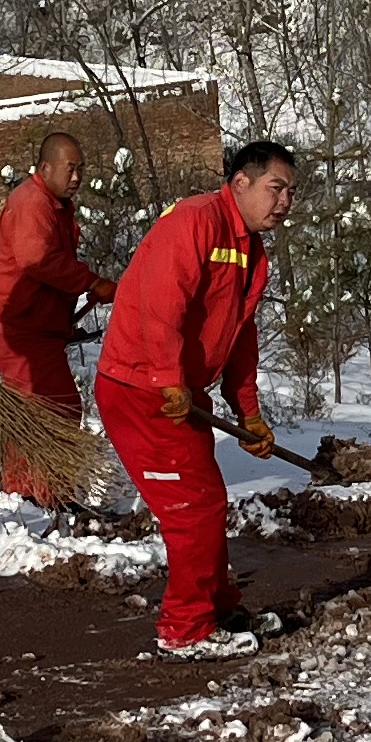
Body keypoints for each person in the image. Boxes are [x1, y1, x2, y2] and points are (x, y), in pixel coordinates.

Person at [96, 140, 300, 659]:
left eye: (291, 192)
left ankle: (218, 607)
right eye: (277, 188)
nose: (285, 202)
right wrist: (168, 378)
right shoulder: (195, 222)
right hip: (141, 389)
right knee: (193, 507)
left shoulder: (253, 254)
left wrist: (248, 412)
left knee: (206, 499)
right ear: (241, 184)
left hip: (180, 392)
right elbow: (160, 303)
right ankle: (184, 630)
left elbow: (239, 340)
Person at [0, 128, 111, 504]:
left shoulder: (54, 205)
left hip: (36, 326)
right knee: (46, 409)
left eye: (81, 169)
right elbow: (37, 260)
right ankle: (30, 494)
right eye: (70, 168)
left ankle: (43, 489)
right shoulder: (32, 202)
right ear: (45, 166)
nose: (77, 177)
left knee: (54, 407)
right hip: (15, 328)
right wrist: (90, 281)